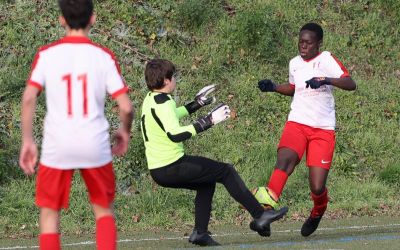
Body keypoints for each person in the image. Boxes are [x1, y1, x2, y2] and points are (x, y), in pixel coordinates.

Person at [19, 1, 134, 249]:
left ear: (62, 20)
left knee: (50, 215)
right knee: (103, 211)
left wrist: (28, 141)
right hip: (94, 143)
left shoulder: (47, 55)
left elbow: (29, 97)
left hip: (57, 145)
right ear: (92, 18)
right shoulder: (103, 56)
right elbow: (126, 106)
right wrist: (124, 131)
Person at [140, 59, 288, 246]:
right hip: (171, 166)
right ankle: (260, 215)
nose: (176, 80)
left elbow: (172, 115)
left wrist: (197, 104)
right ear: (166, 81)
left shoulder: (151, 99)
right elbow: (175, 135)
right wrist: (207, 121)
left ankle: (200, 233)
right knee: (225, 171)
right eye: (174, 77)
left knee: (206, 184)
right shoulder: (163, 103)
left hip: (161, 169)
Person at [255, 22, 357, 237]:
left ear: (318, 44)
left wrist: (325, 80)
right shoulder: (294, 63)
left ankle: (319, 210)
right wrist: (274, 87)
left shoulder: (326, 59)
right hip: (297, 123)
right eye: (300, 42)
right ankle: (266, 213)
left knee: (317, 186)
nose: (303, 46)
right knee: (285, 160)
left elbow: (350, 83)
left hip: (322, 129)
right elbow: (294, 88)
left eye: (308, 43)